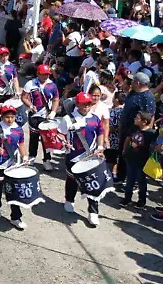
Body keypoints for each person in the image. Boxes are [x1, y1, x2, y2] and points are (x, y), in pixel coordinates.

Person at [58, 92, 105, 227]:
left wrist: (100, 147)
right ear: (77, 104)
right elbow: (60, 134)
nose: (86, 107)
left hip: (91, 157)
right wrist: (64, 143)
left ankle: (93, 212)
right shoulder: (67, 119)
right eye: (84, 104)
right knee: (72, 180)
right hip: (73, 157)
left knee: (92, 184)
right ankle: (69, 200)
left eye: (89, 104)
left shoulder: (95, 118)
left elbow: (100, 132)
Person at [0, 104, 29, 230]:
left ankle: (16, 217)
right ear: (2, 117)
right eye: (7, 117)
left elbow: (21, 144)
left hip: (13, 164)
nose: (10, 120)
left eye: (12, 117)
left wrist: (24, 156)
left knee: (14, 190)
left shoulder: (18, 129)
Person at [21, 64, 59, 171]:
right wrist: (30, 105)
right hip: (34, 115)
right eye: (43, 75)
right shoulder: (30, 84)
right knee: (34, 137)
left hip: (47, 116)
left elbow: (56, 99)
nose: (45, 77)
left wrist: (53, 112)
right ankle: (32, 157)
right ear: (38, 74)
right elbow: (24, 97)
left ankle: (47, 160)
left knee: (46, 139)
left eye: (47, 75)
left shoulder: (52, 85)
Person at [118, 111, 156, 209]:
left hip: (143, 161)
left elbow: (154, 146)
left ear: (144, 122)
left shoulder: (151, 133)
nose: (135, 119)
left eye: (137, 118)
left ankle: (141, 200)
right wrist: (124, 150)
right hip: (131, 158)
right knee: (129, 180)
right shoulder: (133, 129)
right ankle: (127, 198)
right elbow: (128, 139)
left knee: (141, 181)